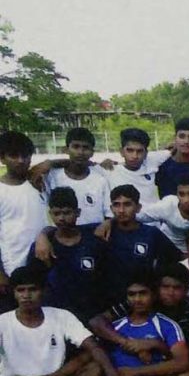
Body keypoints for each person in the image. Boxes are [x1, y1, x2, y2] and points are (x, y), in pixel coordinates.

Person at [35, 270, 189, 376]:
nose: (137, 299)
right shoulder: (115, 327)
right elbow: (85, 357)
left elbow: (183, 362)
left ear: (154, 295)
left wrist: (135, 372)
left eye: (143, 294)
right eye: (132, 294)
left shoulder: (166, 325)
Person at [0, 266, 109, 376]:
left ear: (43, 291)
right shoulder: (3, 322)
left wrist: (112, 375)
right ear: (14, 293)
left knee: (94, 366)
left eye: (32, 290)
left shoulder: (61, 315)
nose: (26, 296)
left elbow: (92, 347)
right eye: (20, 290)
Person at [90, 263, 189, 362]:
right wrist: (126, 342)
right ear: (157, 288)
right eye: (165, 287)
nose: (170, 292)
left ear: (186, 290)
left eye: (177, 288)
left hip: (173, 362)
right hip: (134, 358)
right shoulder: (142, 301)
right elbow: (97, 322)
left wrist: (155, 345)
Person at [28, 187, 107, 324]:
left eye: (67, 213)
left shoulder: (94, 241)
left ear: (78, 212)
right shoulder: (42, 247)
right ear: (50, 214)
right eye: (56, 213)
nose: (61, 218)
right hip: (56, 317)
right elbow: (34, 283)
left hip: (92, 314)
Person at [98, 185, 182, 302]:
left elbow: (176, 258)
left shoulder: (151, 234)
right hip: (108, 299)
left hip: (141, 300)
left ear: (138, 207)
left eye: (127, 204)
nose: (121, 210)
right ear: (111, 208)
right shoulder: (103, 232)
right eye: (117, 205)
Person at [0, 132, 48, 305]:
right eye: (13, 156)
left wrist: (50, 162)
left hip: (44, 265)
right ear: (2, 158)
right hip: (12, 270)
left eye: (25, 156)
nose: (21, 160)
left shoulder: (39, 183)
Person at [44, 127, 111, 224]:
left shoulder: (100, 179)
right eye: (76, 147)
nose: (80, 152)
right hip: (62, 236)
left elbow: (108, 215)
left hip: (92, 235)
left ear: (92, 152)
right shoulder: (52, 176)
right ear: (66, 149)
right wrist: (50, 163)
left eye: (85, 148)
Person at [136, 174, 189, 253]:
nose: (186, 200)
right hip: (169, 247)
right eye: (181, 194)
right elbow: (137, 216)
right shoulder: (166, 206)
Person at [104, 128, 173, 208]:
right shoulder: (110, 170)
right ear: (121, 151)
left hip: (155, 218)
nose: (135, 156)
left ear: (146, 153)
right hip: (126, 219)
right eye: (130, 150)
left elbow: (174, 150)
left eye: (139, 151)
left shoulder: (151, 161)